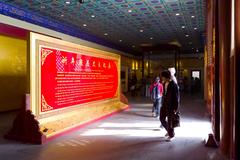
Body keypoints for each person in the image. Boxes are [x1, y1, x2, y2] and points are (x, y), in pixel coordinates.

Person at [160, 70, 180, 141]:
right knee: (161, 118)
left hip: (171, 106)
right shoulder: (164, 83)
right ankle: (169, 131)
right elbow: (164, 94)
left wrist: (176, 108)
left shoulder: (173, 85)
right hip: (164, 104)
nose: (162, 78)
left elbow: (177, 97)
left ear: (166, 77)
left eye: (163, 77)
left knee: (170, 120)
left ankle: (171, 135)